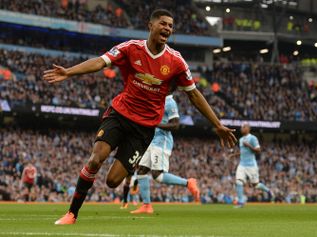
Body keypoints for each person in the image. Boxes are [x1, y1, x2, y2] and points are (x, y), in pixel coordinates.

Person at [43, 9, 237, 225]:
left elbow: (194, 94)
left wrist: (217, 125)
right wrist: (69, 72)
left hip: (143, 129)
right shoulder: (130, 48)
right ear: (150, 25)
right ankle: (72, 214)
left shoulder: (176, 61)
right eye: (163, 23)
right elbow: (100, 62)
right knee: (96, 158)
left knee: (113, 181)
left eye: (171, 26)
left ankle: (128, 178)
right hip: (120, 114)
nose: (167, 28)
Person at [131, 94, 200, 214]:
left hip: (162, 142)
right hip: (152, 140)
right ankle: (147, 205)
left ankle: (188, 183)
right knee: (141, 170)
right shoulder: (156, 99)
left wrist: (156, 124)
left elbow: (175, 124)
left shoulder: (170, 102)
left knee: (157, 175)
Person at [233, 123, 273, 208]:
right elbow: (243, 151)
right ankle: (241, 202)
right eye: (241, 127)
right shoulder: (240, 139)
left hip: (251, 165)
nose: (242, 128)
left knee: (255, 185)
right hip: (242, 164)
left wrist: (249, 145)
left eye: (243, 127)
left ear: (248, 128)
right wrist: (236, 154)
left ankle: (268, 191)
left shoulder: (252, 138)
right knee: (238, 181)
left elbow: (258, 150)